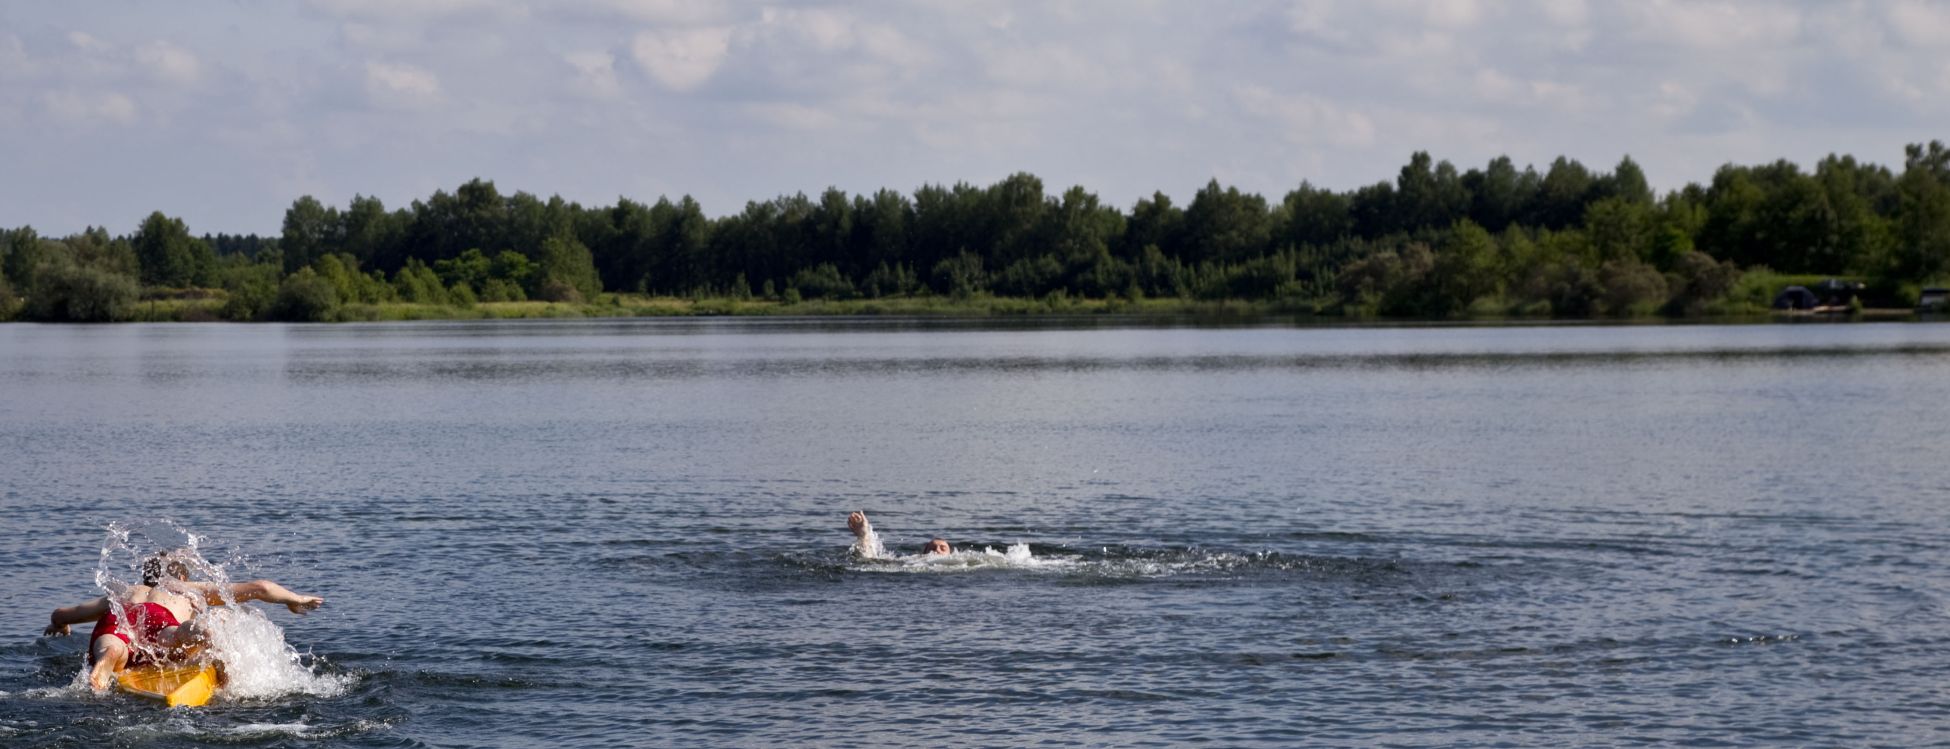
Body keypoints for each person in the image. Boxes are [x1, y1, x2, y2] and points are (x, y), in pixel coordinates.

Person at [40, 549, 324, 691]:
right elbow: (260, 587)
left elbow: (61, 613)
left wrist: (60, 625)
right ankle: (209, 642)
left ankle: (110, 657)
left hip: (120, 618)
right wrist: (294, 600)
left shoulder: (124, 592)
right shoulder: (181, 589)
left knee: (113, 642)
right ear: (183, 577)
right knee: (187, 633)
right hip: (162, 624)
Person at [847, 511, 952, 559]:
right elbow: (869, 561)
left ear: (950, 554)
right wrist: (863, 536)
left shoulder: (959, 563)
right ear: (924, 553)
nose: (937, 550)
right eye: (933, 548)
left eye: (942, 548)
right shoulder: (913, 561)